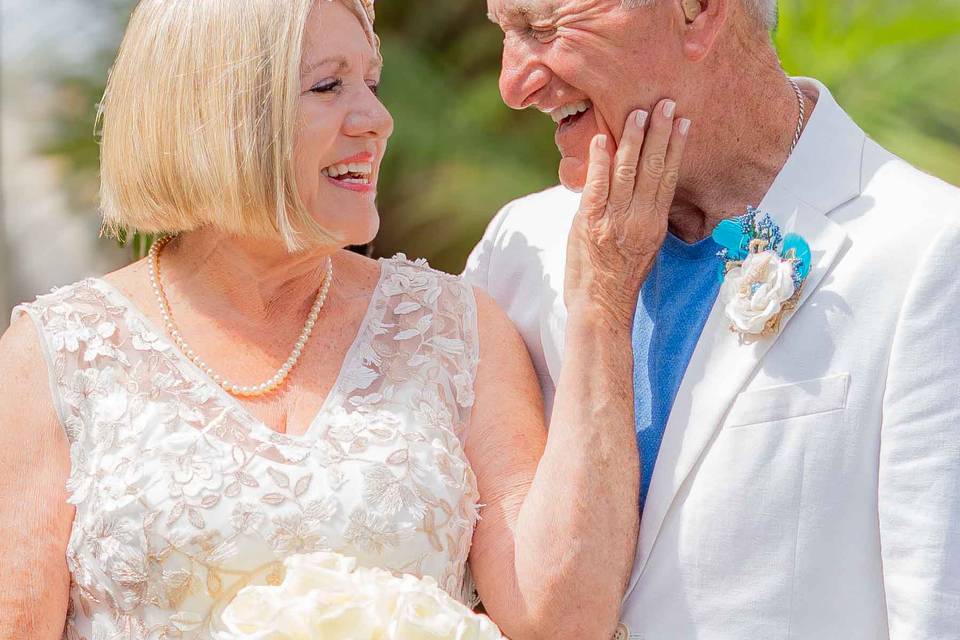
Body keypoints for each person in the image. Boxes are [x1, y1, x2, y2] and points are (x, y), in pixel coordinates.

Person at [0, 1, 688, 638]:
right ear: (214, 115)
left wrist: (603, 299)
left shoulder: (455, 327)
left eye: (373, 84)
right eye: (329, 87)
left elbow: (562, 618)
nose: (377, 120)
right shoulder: (56, 356)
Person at [468, 0, 960, 637]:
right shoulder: (518, 247)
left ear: (697, 12)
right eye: (505, 34)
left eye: (542, 28)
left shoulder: (927, 252)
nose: (513, 85)